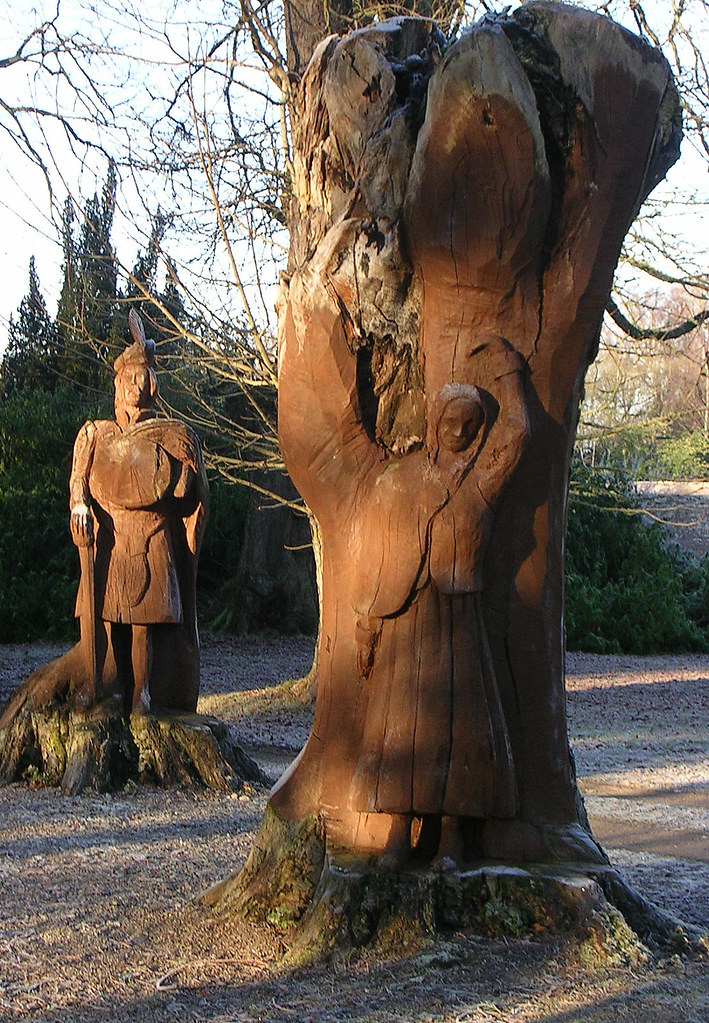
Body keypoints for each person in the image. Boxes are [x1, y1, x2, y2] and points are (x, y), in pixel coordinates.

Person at [69, 311, 208, 715]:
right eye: (131, 377)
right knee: (107, 617)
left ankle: (142, 692)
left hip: (152, 536)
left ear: (153, 384)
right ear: (118, 382)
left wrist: (186, 476)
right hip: (110, 537)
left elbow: (187, 494)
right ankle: (103, 682)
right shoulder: (96, 434)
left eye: (145, 377)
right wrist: (79, 504)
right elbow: (79, 478)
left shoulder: (173, 433)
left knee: (145, 623)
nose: (138, 385)